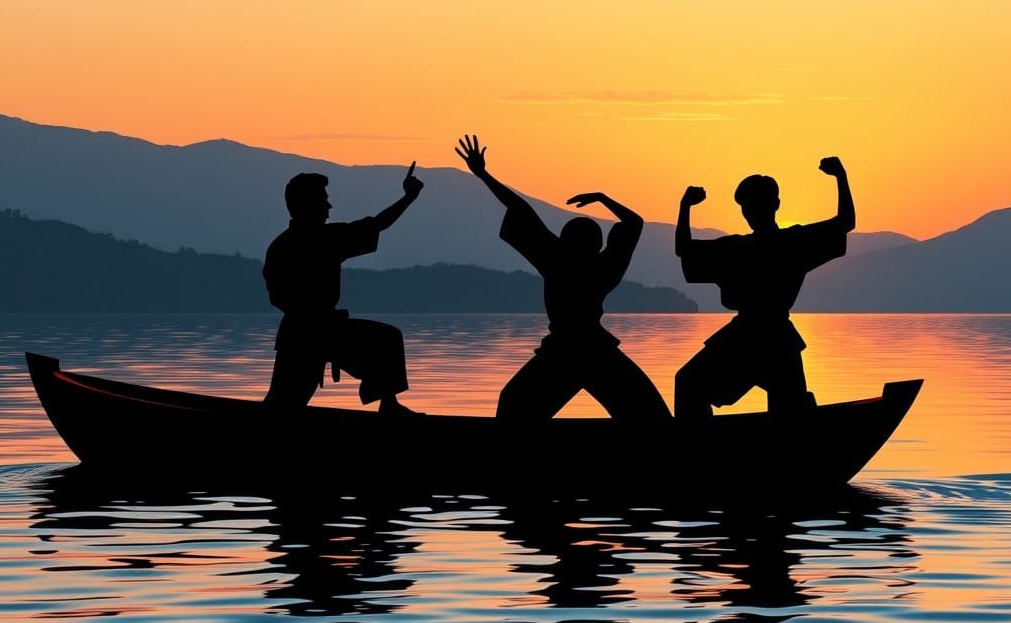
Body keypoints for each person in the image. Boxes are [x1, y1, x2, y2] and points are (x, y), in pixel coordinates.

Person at [455, 133, 671, 421]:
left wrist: (483, 174)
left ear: (565, 242)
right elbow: (634, 223)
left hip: (566, 352)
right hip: (593, 351)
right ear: (596, 245)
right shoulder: (603, 267)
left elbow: (518, 208)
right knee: (649, 413)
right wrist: (602, 198)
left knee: (512, 405)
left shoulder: (555, 258)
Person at [674, 156, 854, 419]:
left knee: (690, 383)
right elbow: (845, 222)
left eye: (750, 206)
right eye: (746, 207)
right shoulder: (783, 244)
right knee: (690, 383)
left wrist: (685, 207)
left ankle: (698, 448)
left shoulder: (756, 247)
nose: (749, 213)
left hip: (758, 339)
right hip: (763, 339)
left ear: (773, 205)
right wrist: (840, 176)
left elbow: (684, 249)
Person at [263, 164, 423, 414]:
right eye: (324, 201)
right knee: (283, 403)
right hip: (304, 335)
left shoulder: (309, 241)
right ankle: (389, 406)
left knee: (387, 339)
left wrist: (408, 198)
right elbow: (376, 224)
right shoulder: (313, 242)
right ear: (309, 204)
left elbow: (375, 225)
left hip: (315, 331)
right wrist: (409, 197)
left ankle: (388, 405)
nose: (329, 207)